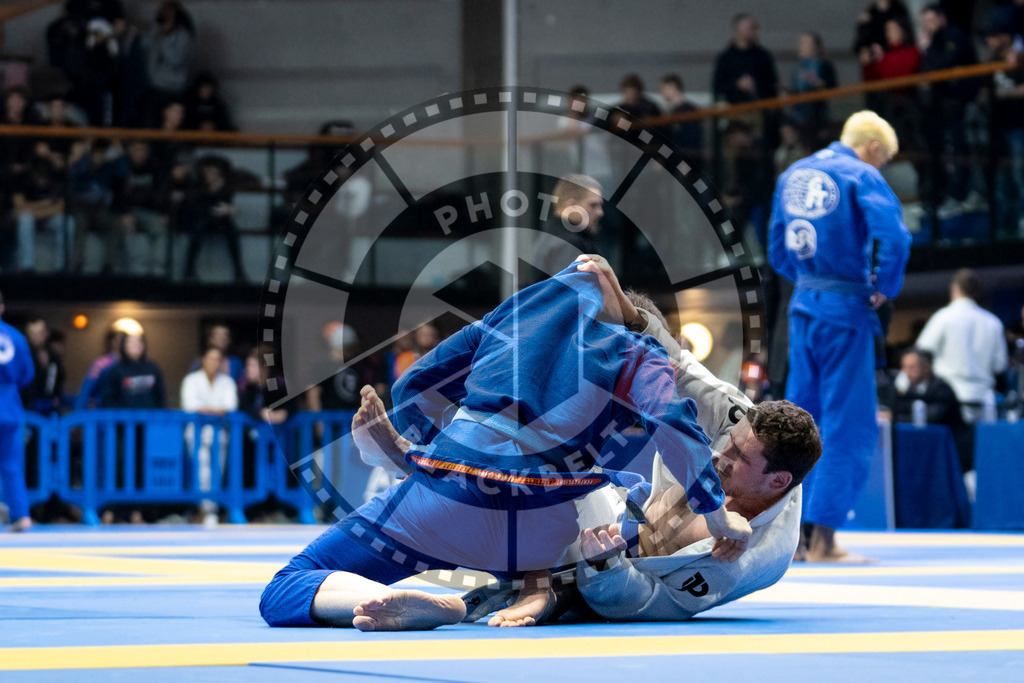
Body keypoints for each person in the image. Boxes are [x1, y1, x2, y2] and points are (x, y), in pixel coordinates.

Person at [320, 258, 821, 626]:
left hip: (608, 566)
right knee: (570, 486)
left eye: (736, 457)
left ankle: (518, 589)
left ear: (777, 480)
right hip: (592, 505)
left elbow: (650, 604)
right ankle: (502, 568)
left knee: (557, 518)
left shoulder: (760, 557)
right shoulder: (735, 415)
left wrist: (604, 569)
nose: (721, 452)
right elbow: (684, 370)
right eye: (727, 442)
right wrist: (630, 314)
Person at [768, 110, 911, 563]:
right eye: (883, 159)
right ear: (872, 149)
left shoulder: (792, 173)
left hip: (803, 306)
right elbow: (896, 236)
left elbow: (775, 246)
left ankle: (787, 539)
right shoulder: (859, 174)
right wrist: (883, 287)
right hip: (845, 309)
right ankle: (823, 540)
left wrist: (808, 280)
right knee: (846, 423)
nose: (880, 167)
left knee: (795, 424)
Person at [915, 269, 1008, 426]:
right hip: (982, 399)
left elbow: (921, 351)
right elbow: (1000, 365)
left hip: (947, 402)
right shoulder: (993, 322)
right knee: (980, 448)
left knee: (950, 449)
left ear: (955, 288)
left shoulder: (943, 317)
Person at [918, 3, 978, 213]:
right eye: (924, 23)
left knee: (963, 149)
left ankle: (965, 195)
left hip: (964, 103)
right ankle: (949, 196)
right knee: (948, 151)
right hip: (943, 107)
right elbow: (928, 69)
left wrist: (928, 50)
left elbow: (945, 64)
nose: (928, 26)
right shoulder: (934, 42)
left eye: (931, 21)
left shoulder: (954, 36)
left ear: (942, 19)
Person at [181, 346, 238, 521]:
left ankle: (212, 507)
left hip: (219, 435)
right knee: (202, 469)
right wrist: (214, 411)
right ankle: (206, 509)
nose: (213, 363)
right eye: (210, 358)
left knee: (217, 470)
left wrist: (206, 409)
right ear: (203, 360)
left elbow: (230, 406)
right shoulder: (191, 380)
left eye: (217, 360)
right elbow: (190, 405)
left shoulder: (227, 382)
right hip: (196, 434)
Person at [984, 10, 1024, 239]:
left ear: (1006, 37)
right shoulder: (991, 63)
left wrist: (1006, 94)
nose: (989, 41)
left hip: (1019, 126)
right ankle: (1005, 230)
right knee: (1003, 183)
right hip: (998, 129)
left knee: (1020, 177)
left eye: (993, 36)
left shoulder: (1019, 59)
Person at [0, 291, 36, 532]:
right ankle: (22, 515)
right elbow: (28, 375)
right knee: (11, 463)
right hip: (9, 404)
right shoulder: (16, 337)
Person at [181, 156, 246, 282]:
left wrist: (225, 205)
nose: (212, 177)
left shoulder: (225, 187)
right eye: (209, 173)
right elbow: (195, 207)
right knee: (198, 229)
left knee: (232, 230)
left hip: (219, 222)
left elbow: (226, 205)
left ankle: (239, 270)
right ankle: (188, 269)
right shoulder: (196, 186)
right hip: (198, 221)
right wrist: (212, 195)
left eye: (215, 173)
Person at [533, 174, 606, 278]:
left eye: (600, 205)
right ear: (571, 206)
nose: (600, 212)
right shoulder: (569, 244)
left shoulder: (552, 237)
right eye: (593, 205)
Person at [11, 157, 74, 273]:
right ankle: (27, 266)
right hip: (31, 219)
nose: (42, 180)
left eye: (44, 177)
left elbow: (62, 207)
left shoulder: (56, 180)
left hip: (47, 218)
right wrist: (44, 204)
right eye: (39, 176)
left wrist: (33, 209)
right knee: (25, 219)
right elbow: (20, 207)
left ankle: (60, 266)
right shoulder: (23, 179)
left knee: (68, 222)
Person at [143, 1, 195, 127]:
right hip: (155, 88)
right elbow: (145, 46)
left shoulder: (183, 36)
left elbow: (175, 60)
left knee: (171, 126)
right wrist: (153, 29)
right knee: (151, 125)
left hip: (173, 90)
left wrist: (166, 37)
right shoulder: (157, 32)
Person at [713, 13, 778, 105]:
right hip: (734, 108)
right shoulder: (726, 58)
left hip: (760, 107)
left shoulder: (763, 56)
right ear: (738, 31)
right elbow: (718, 86)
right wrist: (737, 84)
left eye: (753, 29)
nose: (753, 32)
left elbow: (772, 83)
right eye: (748, 29)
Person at [790, 31, 837, 142]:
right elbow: (795, 89)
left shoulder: (824, 65)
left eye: (807, 44)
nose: (802, 47)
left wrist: (817, 82)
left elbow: (833, 88)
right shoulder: (798, 68)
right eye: (801, 43)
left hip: (818, 114)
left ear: (816, 47)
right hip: (799, 115)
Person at [99, 334, 166, 409]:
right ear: (124, 346)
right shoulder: (115, 370)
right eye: (131, 342)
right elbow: (109, 399)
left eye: (139, 342)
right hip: (124, 418)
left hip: (149, 417)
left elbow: (160, 396)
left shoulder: (153, 369)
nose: (136, 345)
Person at [75, 329, 125, 409]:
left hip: (124, 413)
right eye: (119, 339)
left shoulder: (131, 366)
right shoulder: (101, 363)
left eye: (125, 340)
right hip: (101, 411)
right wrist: (78, 413)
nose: (122, 343)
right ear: (113, 342)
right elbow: (86, 389)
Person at [658, 74, 702, 158]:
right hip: (675, 158)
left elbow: (691, 140)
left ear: (673, 87)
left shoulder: (689, 111)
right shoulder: (668, 112)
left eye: (664, 88)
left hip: (687, 157)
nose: (661, 92)